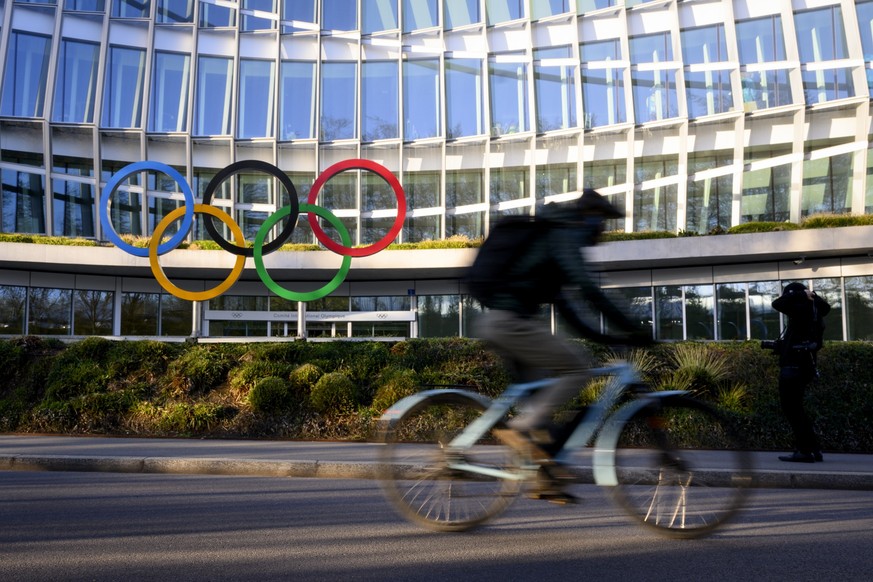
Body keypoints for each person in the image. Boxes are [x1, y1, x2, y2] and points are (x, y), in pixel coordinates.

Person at [472, 189, 650, 500]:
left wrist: (610, 338)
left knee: (543, 404)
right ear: (590, 219)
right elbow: (589, 290)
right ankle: (520, 429)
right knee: (577, 367)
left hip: (504, 323)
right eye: (602, 223)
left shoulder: (553, 241)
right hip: (510, 323)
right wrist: (633, 329)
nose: (603, 232)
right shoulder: (563, 236)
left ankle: (545, 477)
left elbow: (570, 310)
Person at [771, 282, 830, 463]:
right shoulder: (815, 311)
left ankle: (804, 451)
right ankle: (813, 449)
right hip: (806, 367)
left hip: (793, 368)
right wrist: (811, 296)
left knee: (793, 411)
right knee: (799, 411)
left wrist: (798, 295)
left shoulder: (800, 309)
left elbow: (777, 303)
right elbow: (826, 307)